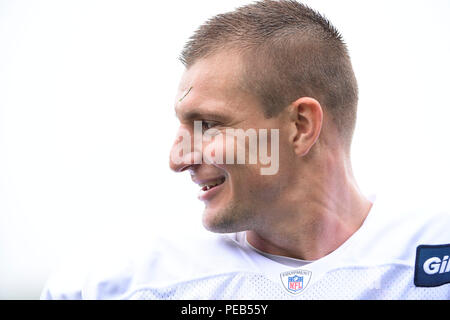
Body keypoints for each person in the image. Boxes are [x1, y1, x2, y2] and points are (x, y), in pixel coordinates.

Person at [42, 0, 450, 299]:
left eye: (208, 124)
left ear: (300, 126)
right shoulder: (117, 284)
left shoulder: (433, 250)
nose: (178, 158)